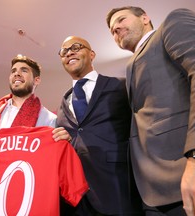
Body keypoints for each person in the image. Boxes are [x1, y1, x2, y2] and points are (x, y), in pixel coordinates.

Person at [106, 6, 195, 216]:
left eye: (121, 20)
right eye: (111, 30)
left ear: (145, 18)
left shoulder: (171, 24)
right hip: (150, 193)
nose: (116, 29)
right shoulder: (130, 66)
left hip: (184, 176)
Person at [56, 36, 143, 215]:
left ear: (92, 54)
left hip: (116, 188)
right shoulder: (63, 102)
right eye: (64, 52)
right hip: (76, 197)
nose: (69, 52)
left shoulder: (121, 85)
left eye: (76, 47)